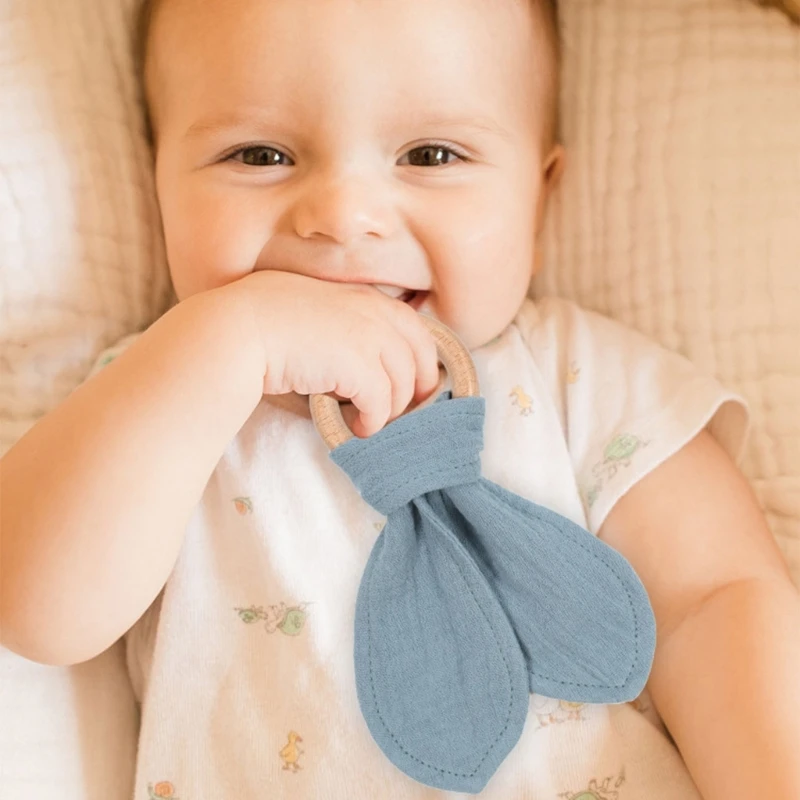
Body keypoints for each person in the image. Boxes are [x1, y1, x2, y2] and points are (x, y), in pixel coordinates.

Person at [2, 0, 799, 797]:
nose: (344, 215)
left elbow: (712, 603)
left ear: (540, 199)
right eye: (259, 153)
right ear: (158, 185)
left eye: (431, 153)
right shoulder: (165, 395)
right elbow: (37, 609)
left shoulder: (580, 377)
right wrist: (228, 342)